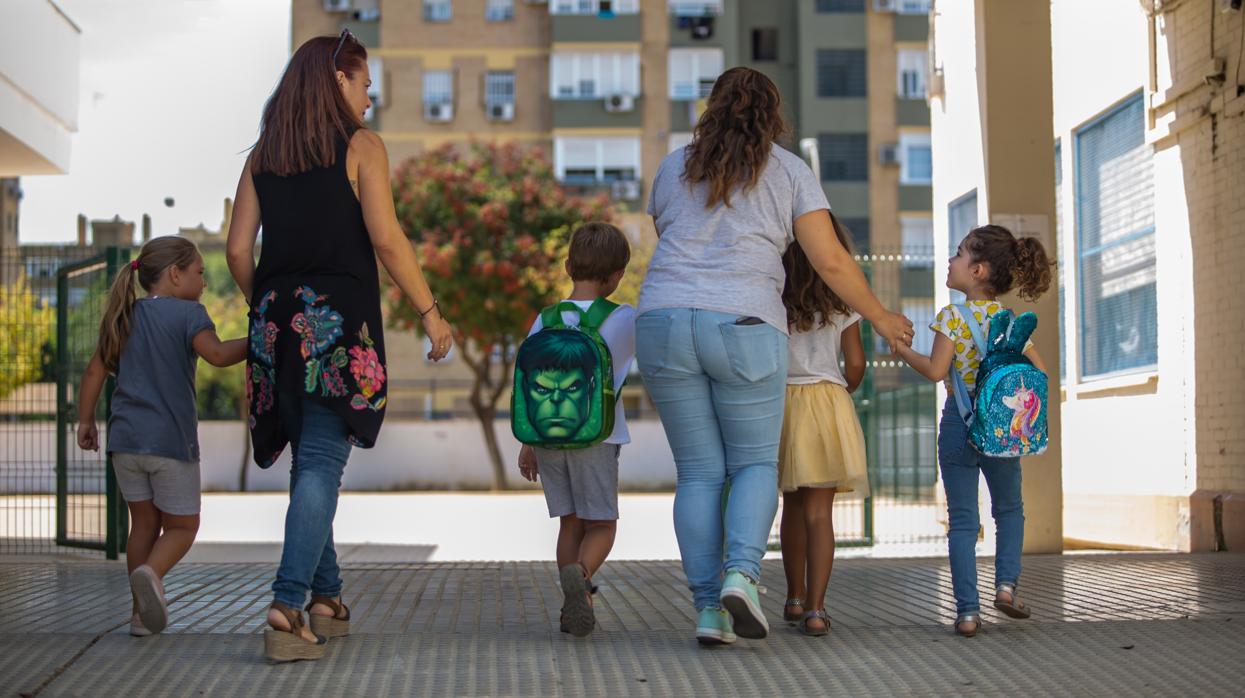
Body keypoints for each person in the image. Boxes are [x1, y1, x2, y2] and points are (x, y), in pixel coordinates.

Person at [636, 66, 913, 646]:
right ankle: (741, 573)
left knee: (699, 474)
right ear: (772, 114)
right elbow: (830, 261)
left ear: (711, 108)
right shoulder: (789, 171)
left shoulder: (672, 166)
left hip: (661, 321)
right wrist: (882, 317)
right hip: (743, 324)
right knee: (755, 466)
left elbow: (668, 237)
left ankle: (709, 609)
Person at [225, 29, 455, 662]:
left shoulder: (261, 157)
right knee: (323, 463)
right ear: (336, 81)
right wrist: (431, 313)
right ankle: (287, 603)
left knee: (310, 461)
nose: (369, 99)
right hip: (334, 326)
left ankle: (325, 597)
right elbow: (386, 239)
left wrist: (267, 308)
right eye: (364, 84)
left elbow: (238, 250)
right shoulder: (362, 147)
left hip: (274, 325)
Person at [76, 236, 246, 637]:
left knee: (143, 526)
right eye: (200, 273)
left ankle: (139, 616)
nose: (204, 282)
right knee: (183, 527)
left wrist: (85, 421)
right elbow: (218, 355)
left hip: (125, 444)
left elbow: (94, 372)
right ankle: (152, 574)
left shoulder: (125, 314)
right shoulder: (189, 314)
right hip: (170, 443)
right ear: (174, 274)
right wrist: (262, 343)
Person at [894, 224, 1052, 637]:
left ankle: (967, 612)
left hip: (958, 426)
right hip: (1001, 431)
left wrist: (902, 349)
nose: (950, 260)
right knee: (1010, 511)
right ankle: (1005, 586)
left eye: (958, 253)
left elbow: (935, 372)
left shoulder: (951, 317)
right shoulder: (1007, 319)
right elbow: (1040, 373)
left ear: (978, 270)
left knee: (963, 522)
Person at [517, 222, 636, 638]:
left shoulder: (544, 319)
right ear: (618, 274)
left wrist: (529, 442)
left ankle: (573, 608)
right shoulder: (623, 319)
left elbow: (530, 382)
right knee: (601, 525)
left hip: (547, 436)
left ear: (568, 265)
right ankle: (581, 578)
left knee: (569, 523)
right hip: (598, 437)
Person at [776, 214, 869, 637]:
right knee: (820, 513)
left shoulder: (773, 293)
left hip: (782, 403)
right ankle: (816, 609)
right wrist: (842, 386)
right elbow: (855, 364)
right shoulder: (843, 299)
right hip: (827, 401)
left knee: (791, 506)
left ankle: (793, 599)